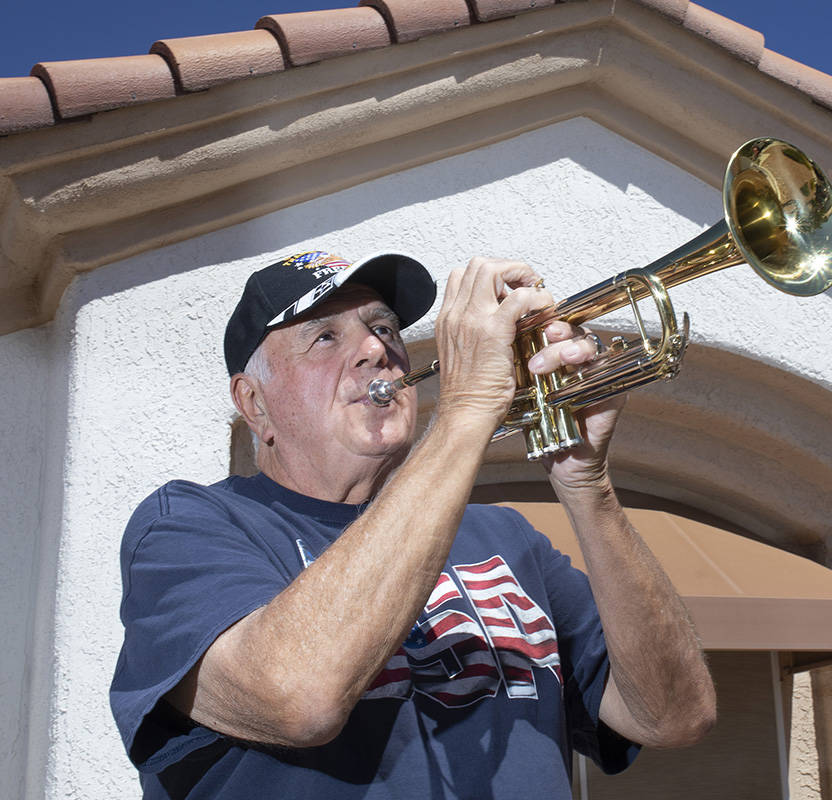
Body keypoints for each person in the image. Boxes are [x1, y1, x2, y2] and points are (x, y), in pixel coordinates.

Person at [110, 250, 717, 798]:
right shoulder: (190, 525)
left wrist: (589, 487)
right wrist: (467, 408)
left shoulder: (505, 538)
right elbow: (298, 698)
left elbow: (675, 717)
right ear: (254, 404)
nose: (377, 349)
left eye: (383, 328)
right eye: (324, 337)